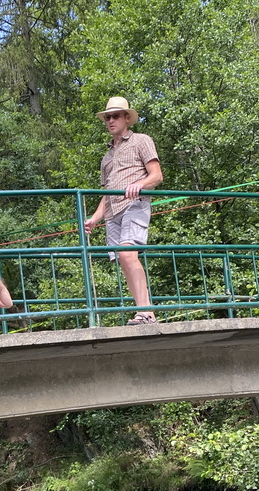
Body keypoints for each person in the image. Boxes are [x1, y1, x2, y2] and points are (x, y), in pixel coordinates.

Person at [83, 96, 163, 326]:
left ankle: (146, 312)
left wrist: (141, 184)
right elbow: (107, 194)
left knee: (128, 254)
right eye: (107, 117)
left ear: (127, 118)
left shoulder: (141, 140)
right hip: (113, 213)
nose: (110, 120)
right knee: (123, 259)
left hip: (135, 204)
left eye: (115, 116)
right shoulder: (106, 157)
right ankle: (143, 312)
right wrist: (94, 219)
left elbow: (156, 176)